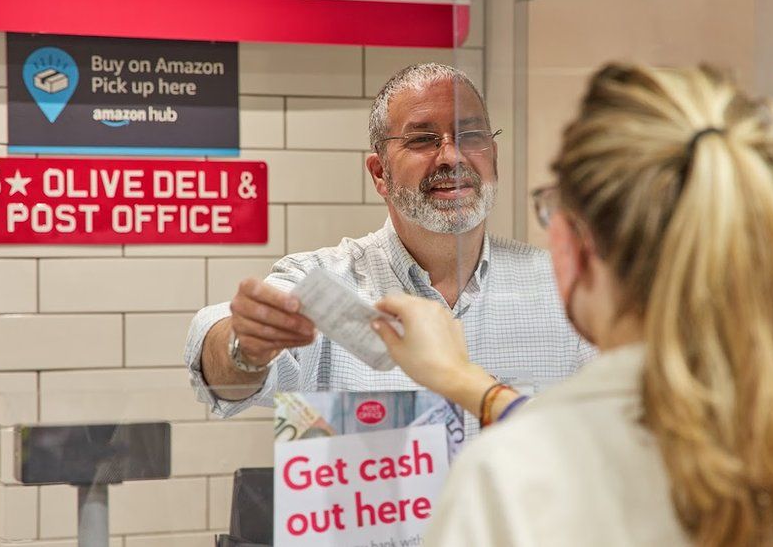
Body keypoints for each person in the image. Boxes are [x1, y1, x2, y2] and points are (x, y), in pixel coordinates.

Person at [373, 64, 773, 546]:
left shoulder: (508, 474)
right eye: (421, 139)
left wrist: (469, 386)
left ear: (575, 244)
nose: (451, 156)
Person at [183, 63, 593, 429]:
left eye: (470, 135)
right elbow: (222, 370)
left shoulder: (562, 286)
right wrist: (245, 345)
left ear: (494, 155)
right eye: (422, 139)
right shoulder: (325, 281)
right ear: (380, 173)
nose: (451, 156)